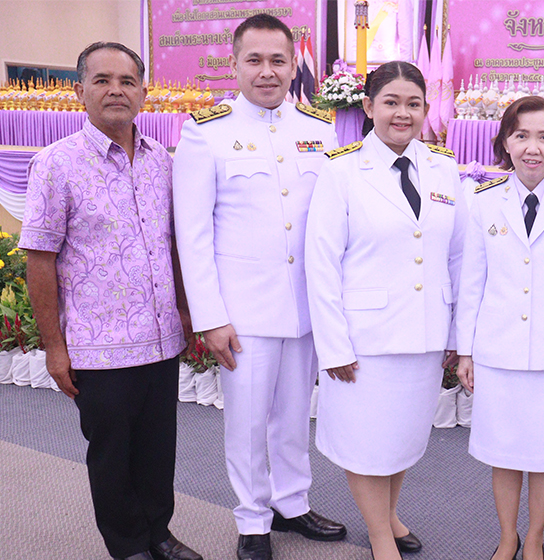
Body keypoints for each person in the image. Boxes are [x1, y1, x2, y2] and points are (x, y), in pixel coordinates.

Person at [20, 42, 202, 560]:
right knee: (112, 455)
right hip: (98, 349)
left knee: (157, 450)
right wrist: (55, 348)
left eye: (127, 81)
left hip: (160, 339)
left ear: (144, 93)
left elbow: (174, 245)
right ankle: (127, 546)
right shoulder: (56, 164)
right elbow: (40, 259)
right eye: (102, 80)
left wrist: (186, 312)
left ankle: (159, 533)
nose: (116, 90)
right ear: (80, 91)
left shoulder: (163, 161)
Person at [172, 14, 344, 560]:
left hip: (304, 307)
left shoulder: (320, 130)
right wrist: (211, 316)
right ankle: (252, 519)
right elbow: (193, 235)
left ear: (294, 66)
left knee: (294, 414)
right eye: (255, 60)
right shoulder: (206, 131)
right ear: (235, 64)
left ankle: (292, 503)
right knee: (246, 423)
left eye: (277, 60)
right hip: (242, 312)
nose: (267, 71)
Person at [304, 61, 464, 560]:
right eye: (391, 102)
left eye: (413, 104)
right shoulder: (342, 170)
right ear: (368, 106)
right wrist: (333, 345)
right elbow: (321, 263)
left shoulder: (443, 167)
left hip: (425, 331)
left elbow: (458, 257)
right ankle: (379, 536)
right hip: (364, 337)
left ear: (426, 108)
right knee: (367, 442)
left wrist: (456, 334)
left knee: (402, 439)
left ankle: (389, 516)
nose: (403, 113)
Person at [456, 96, 544, 560]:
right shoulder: (483, 202)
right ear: (505, 142)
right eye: (521, 136)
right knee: (502, 454)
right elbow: (471, 283)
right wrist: (465, 351)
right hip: (497, 350)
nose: (532, 148)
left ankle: (535, 537)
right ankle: (507, 537)